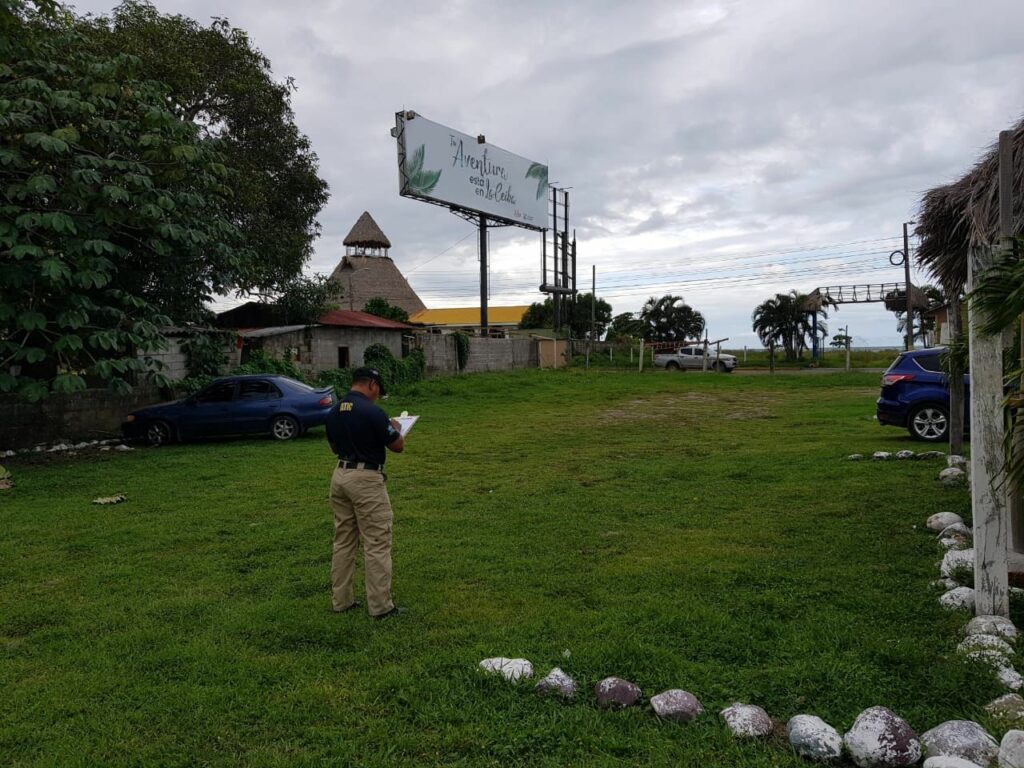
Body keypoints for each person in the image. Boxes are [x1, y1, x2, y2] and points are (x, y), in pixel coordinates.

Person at [326, 367, 405, 619]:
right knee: (376, 541)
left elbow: (334, 447)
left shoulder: (334, 411)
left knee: (343, 540)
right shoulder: (373, 412)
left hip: (340, 475)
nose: (377, 395)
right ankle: (381, 607)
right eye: (378, 390)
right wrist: (395, 428)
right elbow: (397, 445)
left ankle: (341, 601)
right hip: (366, 479)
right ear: (372, 384)